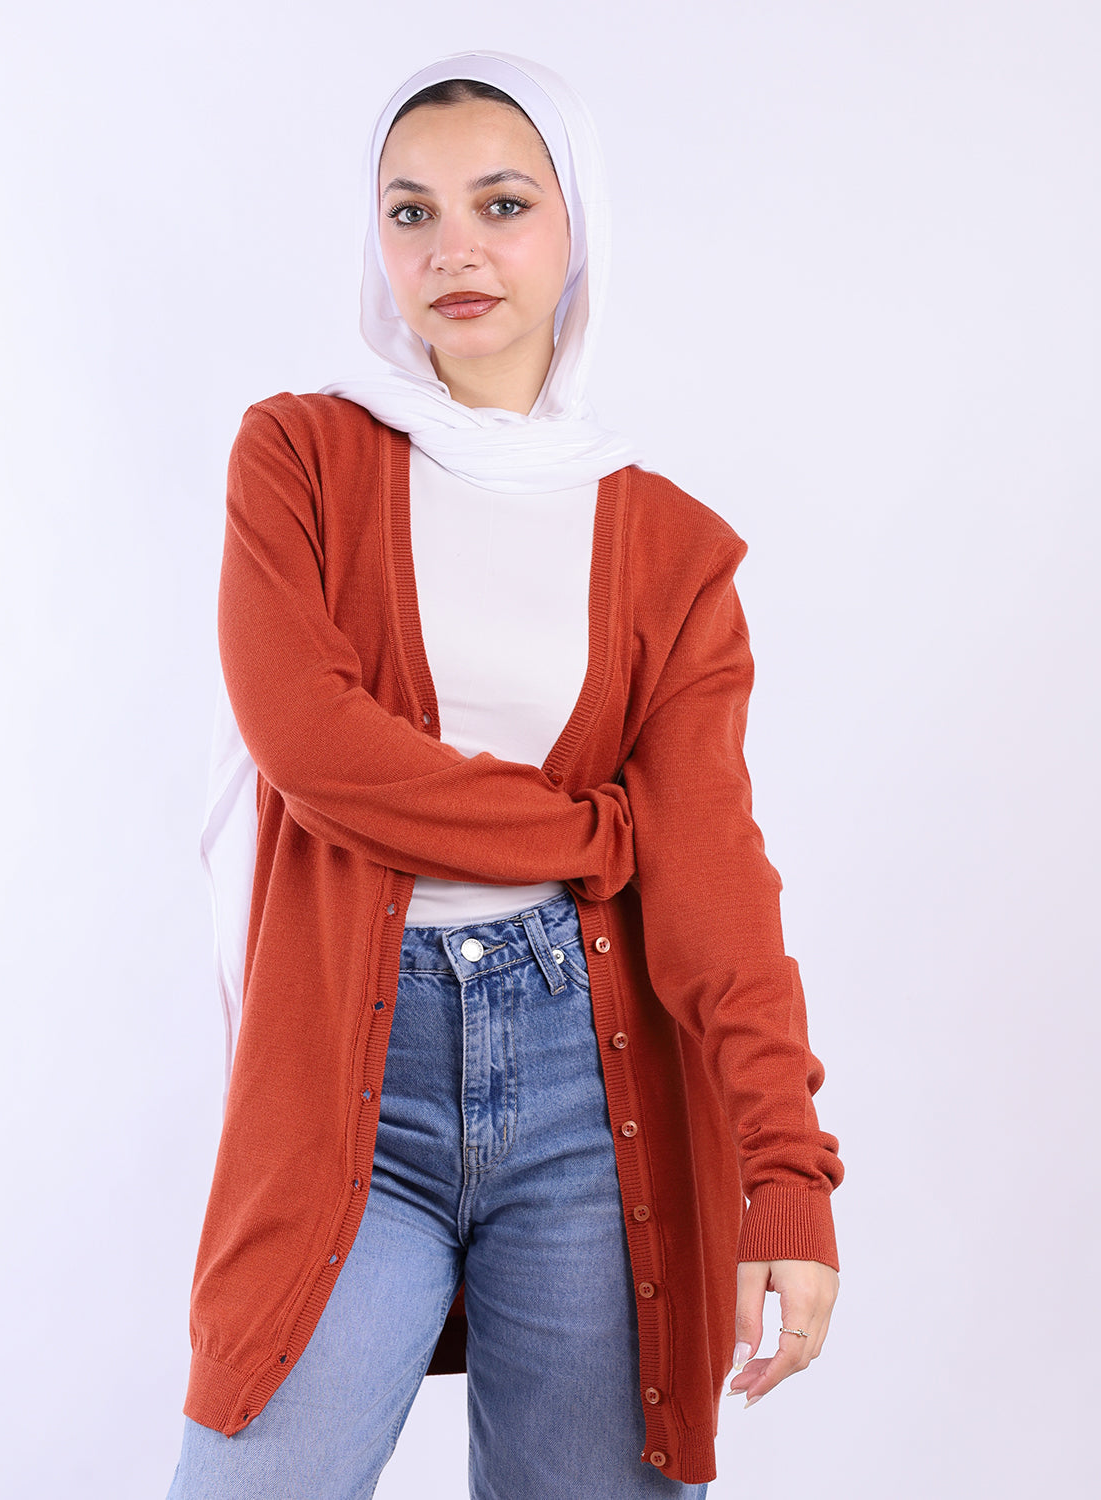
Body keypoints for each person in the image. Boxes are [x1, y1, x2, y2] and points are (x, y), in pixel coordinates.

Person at [166, 49, 843, 1499]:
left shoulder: (670, 549)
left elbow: (715, 874)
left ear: (576, 226)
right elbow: (316, 750)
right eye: (410, 213)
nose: (453, 248)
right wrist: (602, 833)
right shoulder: (298, 457)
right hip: (353, 1080)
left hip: (587, 1099)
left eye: (502, 203)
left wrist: (788, 1172)